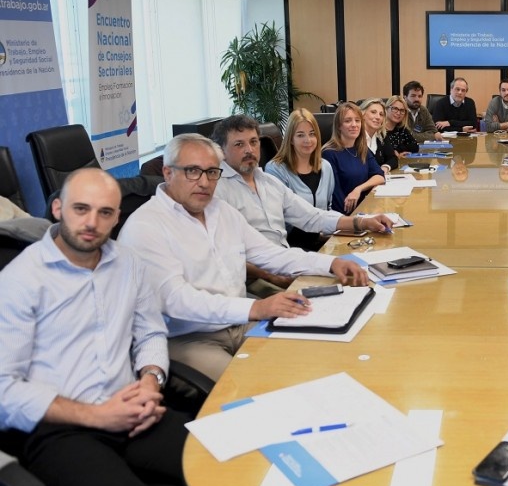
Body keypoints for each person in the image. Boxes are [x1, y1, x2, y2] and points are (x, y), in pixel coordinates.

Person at [0, 168, 187, 486]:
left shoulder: (129, 264)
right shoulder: (19, 280)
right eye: (80, 209)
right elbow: (4, 390)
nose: (91, 223)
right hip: (59, 429)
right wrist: (99, 416)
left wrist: (150, 381)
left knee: (219, 468)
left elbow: (151, 333)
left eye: (105, 212)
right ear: (57, 209)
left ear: (117, 217)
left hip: (131, 407)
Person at [118, 134, 369, 381]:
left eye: (212, 172)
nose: (204, 182)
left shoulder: (220, 211)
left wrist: (331, 263)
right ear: (168, 173)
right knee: (250, 385)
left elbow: (270, 254)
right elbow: (177, 300)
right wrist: (256, 307)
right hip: (190, 337)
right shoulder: (145, 226)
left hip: (240, 322)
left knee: (309, 361)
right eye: (192, 171)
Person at [214, 114, 391, 264]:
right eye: (239, 144)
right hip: (259, 275)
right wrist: (276, 277)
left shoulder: (268, 182)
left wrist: (363, 222)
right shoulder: (217, 190)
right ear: (221, 150)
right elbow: (229, 256)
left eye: (253, 142)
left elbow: (312, 216)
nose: (249, 150)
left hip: (287, 260)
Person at [323, 101, 386, 214]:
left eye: (357, 120)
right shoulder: (329, 154)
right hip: (345, 216)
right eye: (348, 121)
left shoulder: (362, 149)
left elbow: (380, 176)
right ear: (339, 126)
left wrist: (358, 189)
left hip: (364, 210)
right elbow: (337, 201)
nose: (354, 125)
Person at [362, 98, 399, 172]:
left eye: (381, 114)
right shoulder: (355, 137)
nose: (378, 117)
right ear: (362, 114)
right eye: (373, 112)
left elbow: (393, 158)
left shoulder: (381, 136)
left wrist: (385, 167)